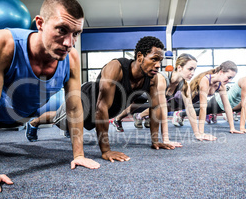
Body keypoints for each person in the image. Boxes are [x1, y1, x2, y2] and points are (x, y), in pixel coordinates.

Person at [0, 0, 100, 197]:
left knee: (0, 125)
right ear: (40, 23)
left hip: (21, 114)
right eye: (62, 30)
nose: (69, 43)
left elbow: (74, 106)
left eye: (76, 33)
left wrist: (79, 154)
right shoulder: (2, 44)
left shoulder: (71, 59)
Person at [31, 36, 175, 162]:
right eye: (154, 59)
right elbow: (102, 107)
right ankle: (34, 123)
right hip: (84, 101)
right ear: (140, 57)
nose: (158, 65)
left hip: (104, 111)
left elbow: (155, 107)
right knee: (58, 120)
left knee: (74, 126)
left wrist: (155, 141)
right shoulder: (116, 68)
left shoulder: (152, 79)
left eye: (160, 61)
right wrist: (106, 151)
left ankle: (70, 128)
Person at [113, 53, 217, 146]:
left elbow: (190, 109)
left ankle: (121, 118)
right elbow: (162, 111)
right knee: (131, 108)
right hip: (140, 90)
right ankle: (117, 119)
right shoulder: (162, 79)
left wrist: (198, 134)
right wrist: (166, 139)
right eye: (190, 69)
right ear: (179, 67)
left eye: (194, 69)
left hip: (152, 95)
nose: (193, 73)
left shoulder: (184, 85)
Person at [173, 61, 244, 135]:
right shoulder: (206, 80)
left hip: (191, 102)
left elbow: (227, 106)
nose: (230, 81)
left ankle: (179, 113)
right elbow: (203, 108)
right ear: (221, 72)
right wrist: (201, 133)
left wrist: (232, 128)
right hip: (178, 99)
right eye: (229, 77)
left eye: (232, 78)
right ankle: (178, 113)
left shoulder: (221, 86)